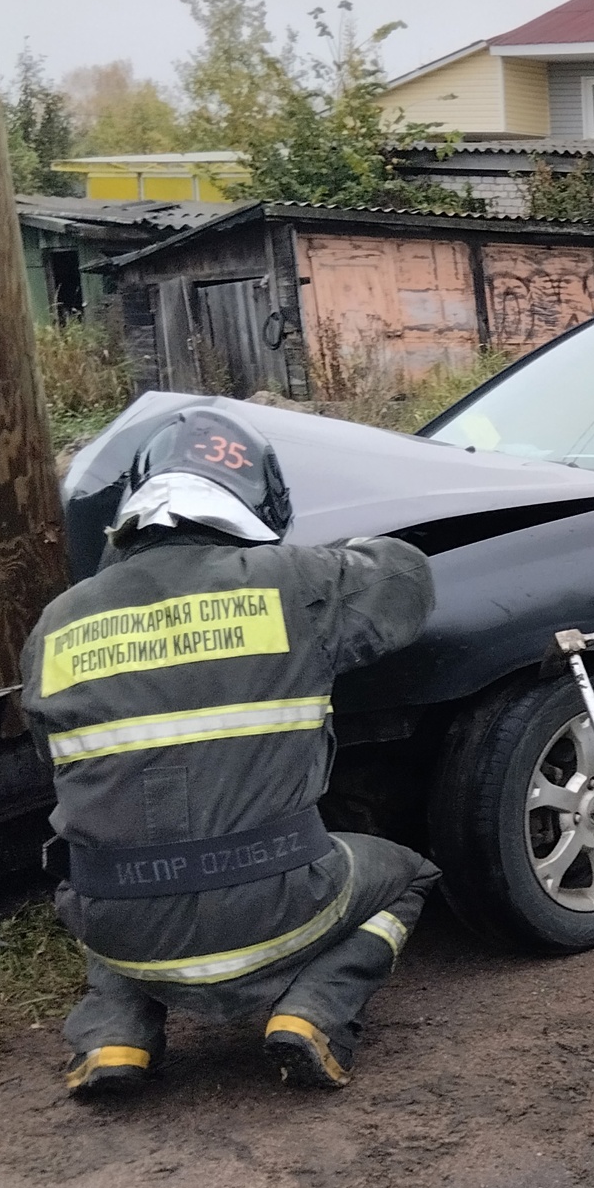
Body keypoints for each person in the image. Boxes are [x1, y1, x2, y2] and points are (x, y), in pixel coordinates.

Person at [26, 406, 439, 1098]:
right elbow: (406, 579)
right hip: (273, 904)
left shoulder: (57, 622)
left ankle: (112, 1035)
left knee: (116, 869)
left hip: (117, 922)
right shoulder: (293, 582)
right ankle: (317, 1013)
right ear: (258, 502)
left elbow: (60, 762)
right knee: (409, 875)